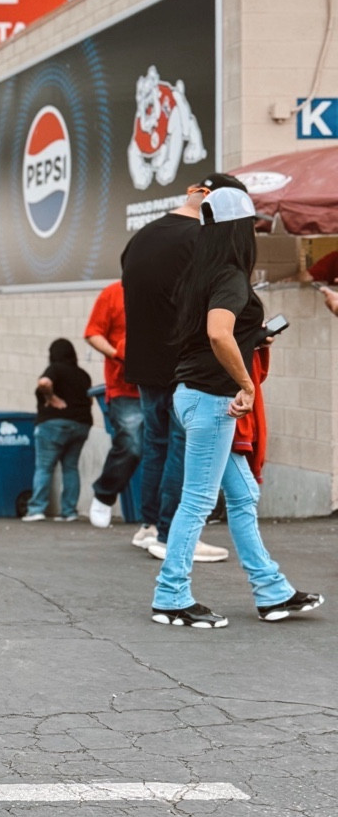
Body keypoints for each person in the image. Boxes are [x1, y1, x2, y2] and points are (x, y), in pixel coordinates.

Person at [151, 179, 323, 629]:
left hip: (195, 396)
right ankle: (170, 596)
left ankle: (273, 591)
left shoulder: (199, 273)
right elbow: (217, 333)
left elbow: (214, 334)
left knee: (243, 495)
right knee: (197, 503)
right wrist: (245, 382)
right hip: (212, 401)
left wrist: (254, 336)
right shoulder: (228, 276)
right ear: (239, 229)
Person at [121, 183, 227, 565]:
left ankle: (149, 526)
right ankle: (171, 534)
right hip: (184, 361)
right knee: (182, 447)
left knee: (157, 443)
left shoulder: (143, 237)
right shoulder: (200, 240)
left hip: (145, 361)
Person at [83, 281, 142, 528]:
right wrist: (116, 354)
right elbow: (93, 333)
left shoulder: (169, 288)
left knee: (166, 451)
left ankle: (156, 521)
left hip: (163, 385)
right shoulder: (113, 293)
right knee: (131, 445)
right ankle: (104, 494)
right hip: (125, 386)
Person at [22, 338, 94, 522]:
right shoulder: (83, 375)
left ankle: (37, 509)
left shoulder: (55, 368)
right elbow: (90, 400)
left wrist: (52, 398)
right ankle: (69, 512)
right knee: (70, 467)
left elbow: (44, 383)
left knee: (44, 468)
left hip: (53, 424)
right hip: (81, 425)